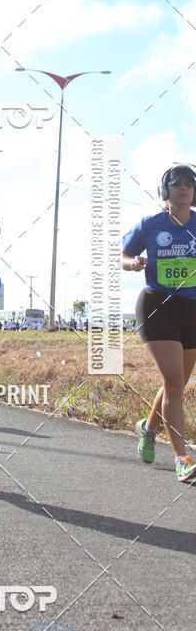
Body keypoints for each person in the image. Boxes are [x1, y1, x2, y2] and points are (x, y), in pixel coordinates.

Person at [124, 164, 196, 483]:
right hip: (157, 307)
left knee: (175, 384)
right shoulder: (149, 225)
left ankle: (148, 427)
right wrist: (133, 263)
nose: (183, 189)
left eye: (189, 184)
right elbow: (122, 255)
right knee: (175, 382)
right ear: (164, 192)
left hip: (191, 310)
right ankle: (182, 458)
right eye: (177, 184)